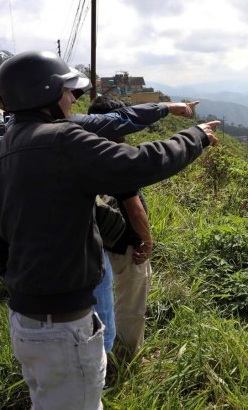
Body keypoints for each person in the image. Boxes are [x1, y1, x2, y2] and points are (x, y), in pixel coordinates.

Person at [0, 50, 219, 409]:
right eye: (68, 91)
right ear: (45, 94)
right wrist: (194, 136)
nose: (73, 98)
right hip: (63, 326)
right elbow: (137, 165)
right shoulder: (61, 141)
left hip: (25, 321)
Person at [88, 96, 153, 361]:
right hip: (127, 246)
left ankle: (103, 353)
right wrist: (147, 242)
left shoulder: (83, 151)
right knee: (130, 304)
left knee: (103, 303)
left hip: (97, 243)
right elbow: (135, 208)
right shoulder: (116, 156)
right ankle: (126, 357)